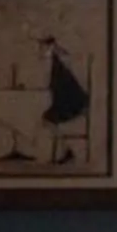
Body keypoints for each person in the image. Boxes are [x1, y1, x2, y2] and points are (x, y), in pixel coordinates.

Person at [35, 32, 90, 163]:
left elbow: (50, 84)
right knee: (46, 119)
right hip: (68, 101)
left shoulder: (55, 60)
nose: (40, 48)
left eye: (42, 45)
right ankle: (65, 151)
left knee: (47, 120)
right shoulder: (56, 59)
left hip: (73, 103)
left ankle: (66, 151)